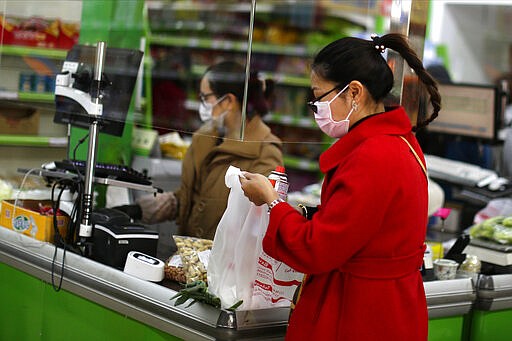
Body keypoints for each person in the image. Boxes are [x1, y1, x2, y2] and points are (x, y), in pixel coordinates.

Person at [240, 33, 441, 340]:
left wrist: (272, 203)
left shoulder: (373, 157)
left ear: (354, 93)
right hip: (394, 307)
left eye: (319, 97)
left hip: (359, 312)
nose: (316, 107)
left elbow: (317, 249)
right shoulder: (401, 143)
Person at [122, 61, 282, 240]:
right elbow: (188, 196)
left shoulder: (265, 151)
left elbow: (262, 217)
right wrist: (138, 209)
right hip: (190, 258)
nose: (202, 104)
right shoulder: (204, 138)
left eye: (206, 97)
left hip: (226, 262)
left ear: (228, 101)